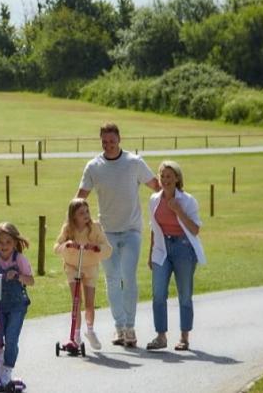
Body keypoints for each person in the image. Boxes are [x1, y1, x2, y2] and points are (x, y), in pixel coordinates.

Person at [77, 122, 160, 347]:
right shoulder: (94, 166)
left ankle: (131, 328)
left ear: (119, 139)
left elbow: (156, 186)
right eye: (104, 142)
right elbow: (81, 196)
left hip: (132, 229)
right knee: (112, 280)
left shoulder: (134, 163)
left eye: (112, 141)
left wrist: (176, 199)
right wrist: (75, 223)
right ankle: (119, 328)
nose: (109, 145)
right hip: (106, 233)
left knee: (128, 277)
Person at [146, 160, 206, 351]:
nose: (165, 180)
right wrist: (150, 254)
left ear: (177, 178)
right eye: (162, 176)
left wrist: (178, 210)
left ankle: (184, 337)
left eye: (169, 177)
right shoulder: (154, 200)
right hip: (162, 250)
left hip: (183, 249)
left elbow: (195, 229)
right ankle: (161, 336)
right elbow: (154, 229)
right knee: (158, 293)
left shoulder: (187, 201)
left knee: (185, 294)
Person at [0, 222, 34, 385]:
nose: (4, 246)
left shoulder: (19, 259)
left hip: (17, 306)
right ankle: (1, 356)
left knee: (11, 338)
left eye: (8, 242)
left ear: (15, 243)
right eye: (1, 242)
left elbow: (31, 281)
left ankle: (7, 371)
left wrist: (17, 276)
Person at [54, 198, 112, 350]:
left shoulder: (95, 227)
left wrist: (96, 247)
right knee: (76, 300)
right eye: (81, 213)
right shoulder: (68, 229)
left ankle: (90, 330)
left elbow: (107, 247)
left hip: (90, 266)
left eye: (87, 211)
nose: (86, 215)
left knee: (90, 304)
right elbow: (56, 246)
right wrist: (66, 244)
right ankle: (76, 333)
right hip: (73, 266)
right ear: (73, 216)